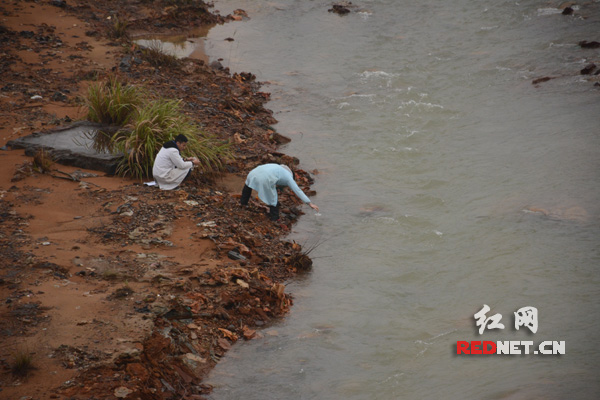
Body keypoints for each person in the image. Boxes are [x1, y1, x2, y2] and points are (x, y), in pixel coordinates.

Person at [241, 163, 319, 221]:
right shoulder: (288, 177)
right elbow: (297, 190)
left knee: (248, 186)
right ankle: (275, 218)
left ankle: (243, 204)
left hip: (252, 173)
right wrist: (309, 203)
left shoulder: (276, 167)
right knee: (273, 199)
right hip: (265, 178)